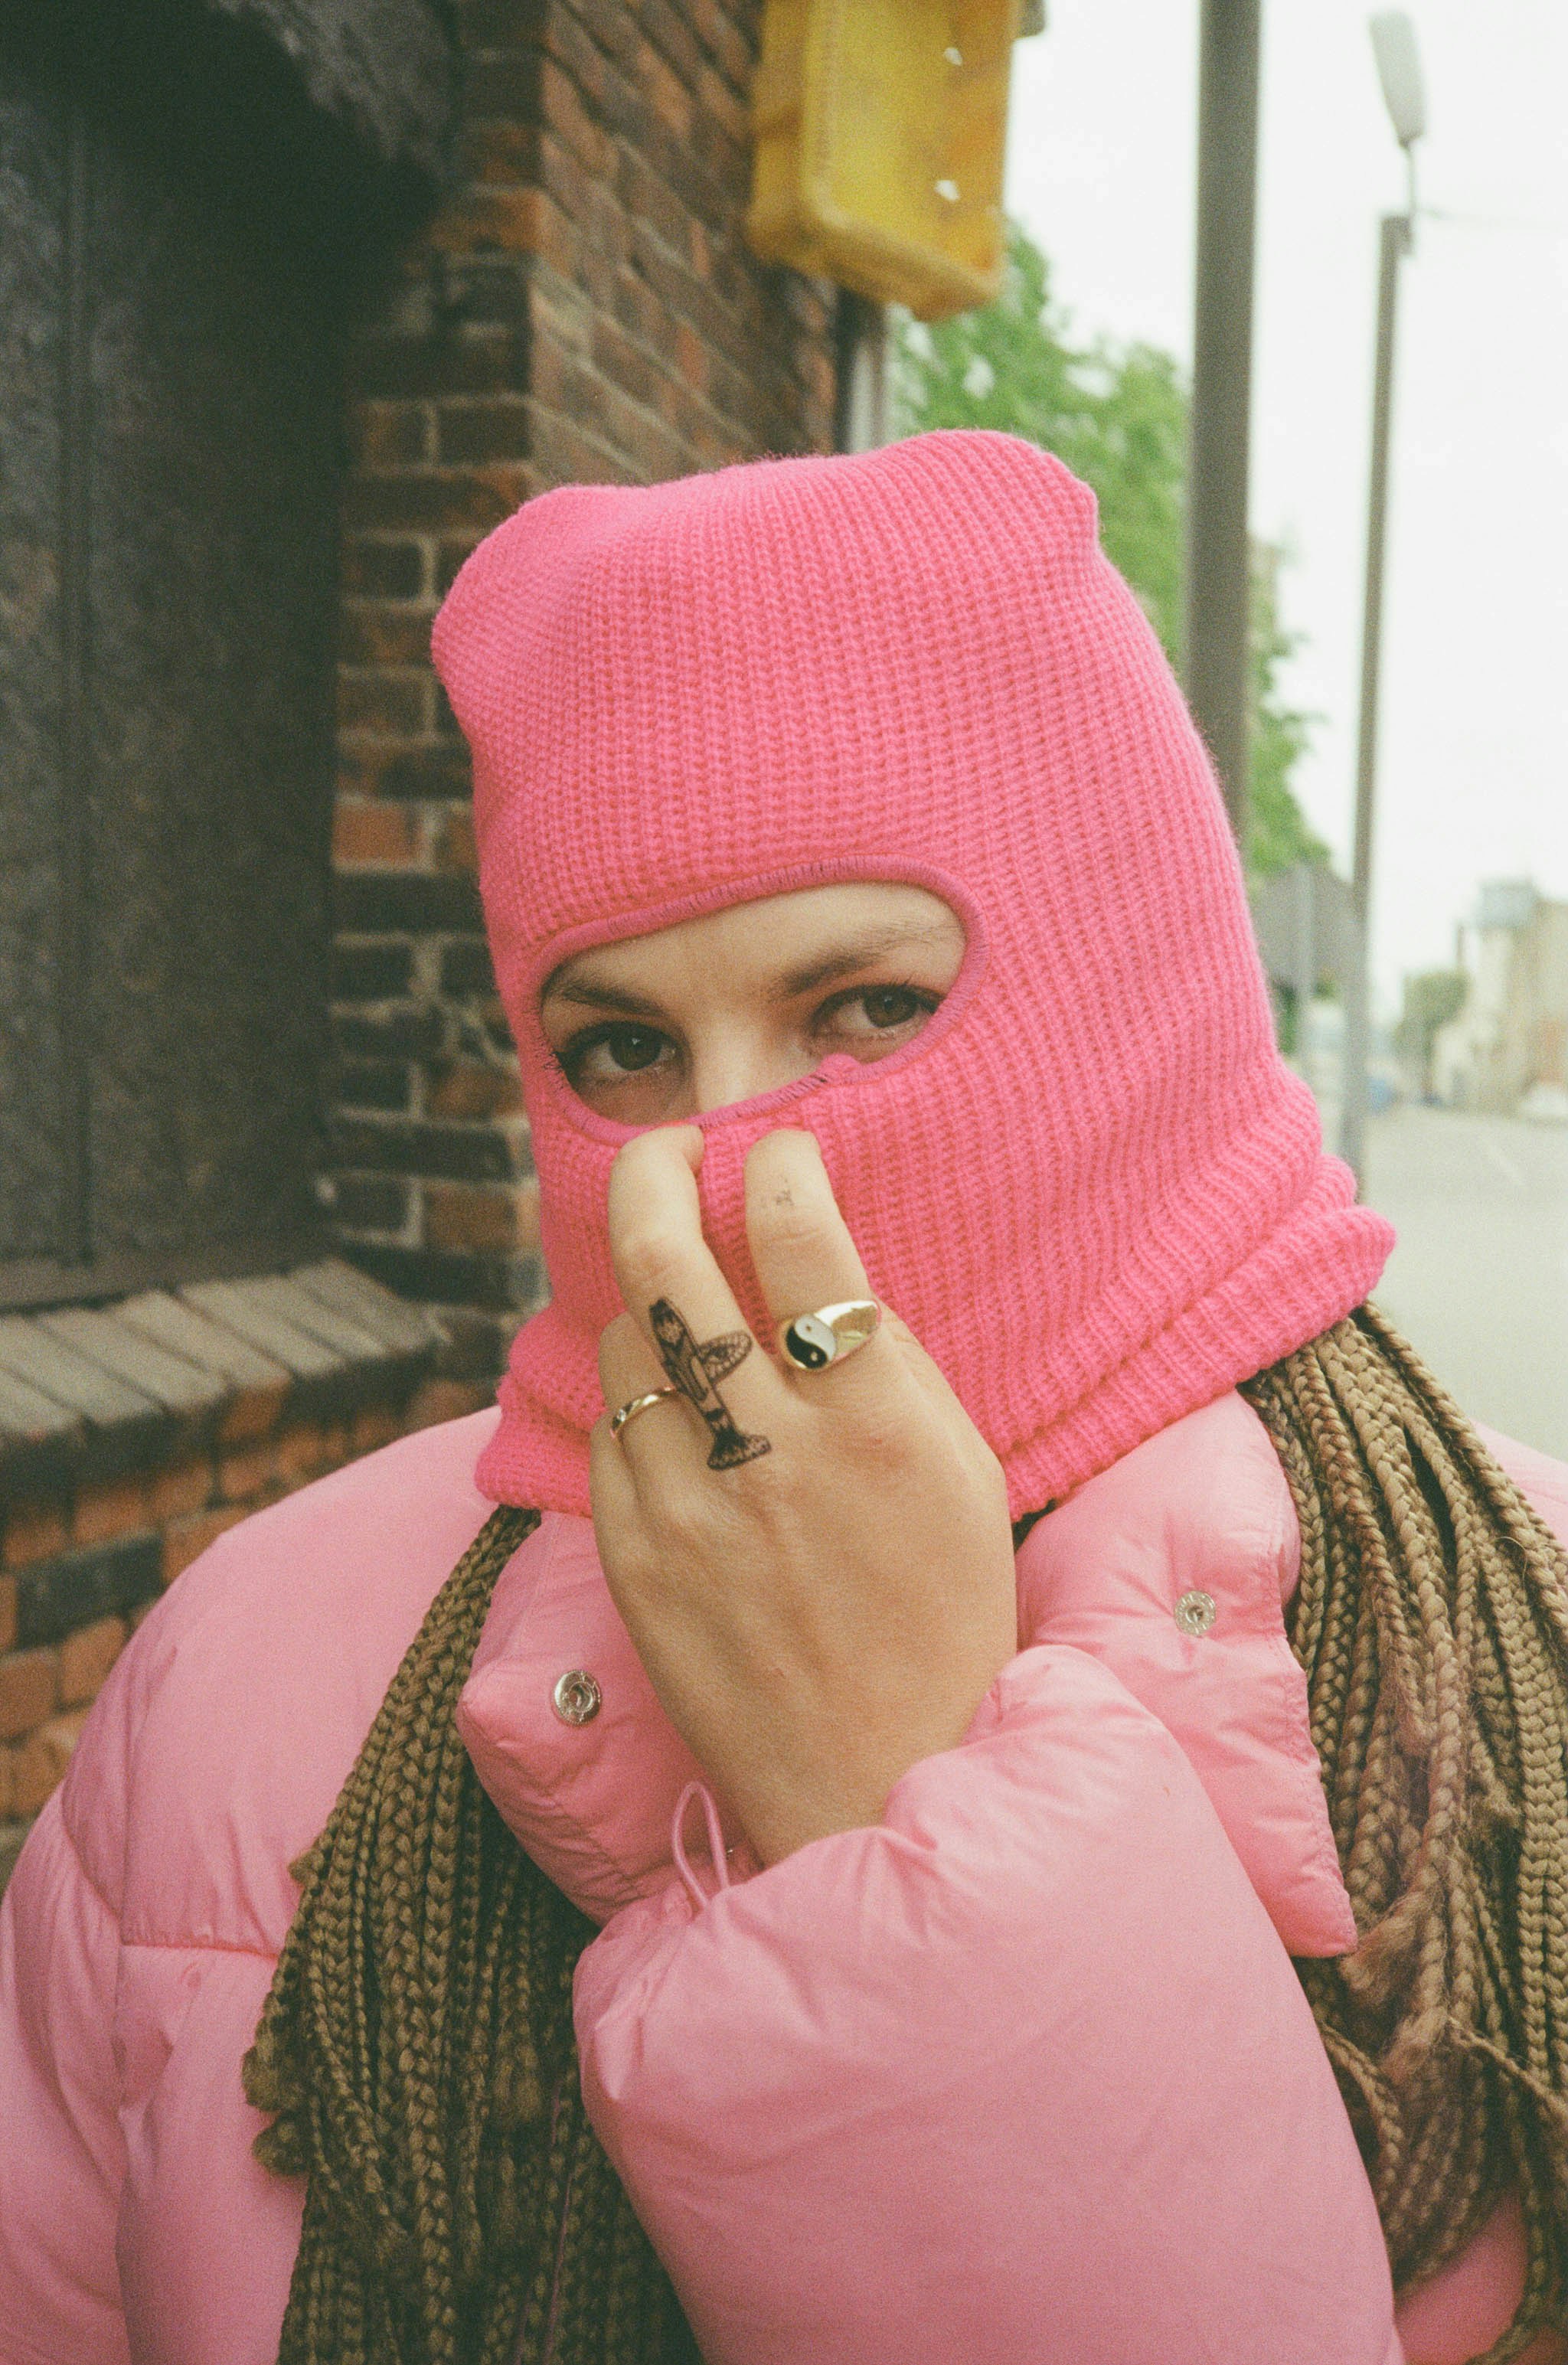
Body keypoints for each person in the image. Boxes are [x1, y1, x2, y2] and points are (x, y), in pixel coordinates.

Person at [2, 432, 1566, 2365]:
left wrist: (881, 1811)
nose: (720, 1169)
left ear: (1128, 989)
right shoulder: (241, 1669)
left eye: (867, 1008)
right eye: (622, 1048)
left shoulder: (1527, 1627)